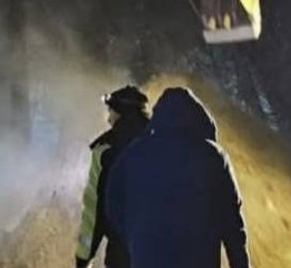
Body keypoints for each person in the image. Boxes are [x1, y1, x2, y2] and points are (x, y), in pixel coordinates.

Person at [105, 86, 251, 268]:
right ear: (199, 119)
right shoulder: (213, 157)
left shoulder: (134, 154)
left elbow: (113, 206)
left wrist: (137, 235)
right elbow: (232, 223)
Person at [75, 85, 150, 268]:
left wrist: (83, 259)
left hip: (121, 253)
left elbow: (94, 210)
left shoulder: (106, 150)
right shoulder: (165, 144)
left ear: (121, 113)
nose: (108, 119)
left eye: (111, 112)